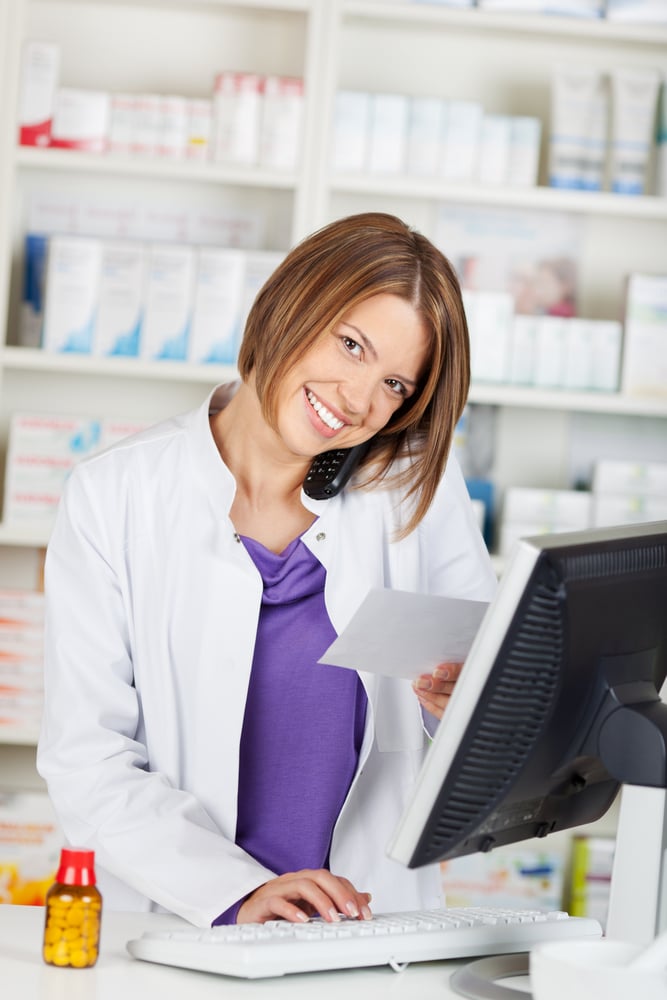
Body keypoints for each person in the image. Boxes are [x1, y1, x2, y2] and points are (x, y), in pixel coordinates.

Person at [37, 212, 497, 929]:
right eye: (350, 345)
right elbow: (85, 756)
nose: (356, 400)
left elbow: (491, 715)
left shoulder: (412, 493)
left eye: (395, 385)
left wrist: (466, 707)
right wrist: (234, 893)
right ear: (293, 303)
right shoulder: (116, 495)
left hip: (362, 930)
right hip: (184, 923)